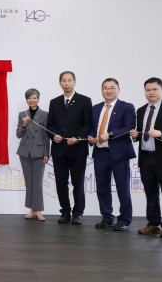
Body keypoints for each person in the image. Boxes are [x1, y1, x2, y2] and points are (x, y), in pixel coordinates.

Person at [128, 77, 162, 238]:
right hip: (146, 158)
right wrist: (135, 135)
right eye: (148, 90)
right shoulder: (141, 110)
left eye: (154, 89)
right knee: (150, 192)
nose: (151, 92)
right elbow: (140, 133)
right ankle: (153, 223)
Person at [87, 78, 136, 231]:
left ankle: (125, 220)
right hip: (100, 153)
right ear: (101, 90)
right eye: (105, 88)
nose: (108, 91)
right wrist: (91, 137)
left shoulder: (126, 107)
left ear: (118, 90)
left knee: (123, 188)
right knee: (102, 188)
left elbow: (129, 127)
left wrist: (110, 134)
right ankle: (107, 217)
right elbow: (92, 128)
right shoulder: (95, 108)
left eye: (112, 88)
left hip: (119, 154)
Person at [46, 71, 92, 225]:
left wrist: (78, 138)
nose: (67, 83)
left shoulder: (85, 101)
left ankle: (78, 213)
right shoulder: (54, 102)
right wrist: (54, 136)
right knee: (61, 182)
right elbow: (50, 125)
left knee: (78, 182)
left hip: (78, 150)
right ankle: (65, 211)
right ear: (60, 83)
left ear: (74, 82)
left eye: (69, 80)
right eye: (64, 81)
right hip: (59, 150)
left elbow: (88, 125)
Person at [16, 88, 50, 222]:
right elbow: (18, 134)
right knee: (29, 182)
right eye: (29, 98)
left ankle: (39, 211)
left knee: (38, 183)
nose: (32, 100)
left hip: (39, 152)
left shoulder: (45, 114)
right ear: (26, 100)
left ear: (39, 99)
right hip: (24, 152)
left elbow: (46, 136)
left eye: (34, 97)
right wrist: (24, 125)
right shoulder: (22, 114)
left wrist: (47, 153)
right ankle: (31, 210)